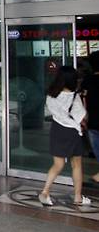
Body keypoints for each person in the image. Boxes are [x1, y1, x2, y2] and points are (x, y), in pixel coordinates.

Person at [39, 66, 90, 206]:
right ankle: (78, 197)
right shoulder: (74, 97)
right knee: (76, 165)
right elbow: (82, 117)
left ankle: (45, 191)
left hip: (57, 130)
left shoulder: (51, 95)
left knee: (58, 164)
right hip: (71, 132)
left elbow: (51, 111)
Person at [82, 51, 99, 183]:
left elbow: (84, 102)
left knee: (97, 149)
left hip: (93, 121)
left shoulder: (87, 80)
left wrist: (84, 118)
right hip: (93, 121)